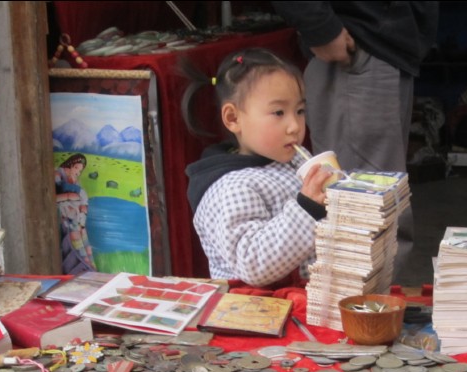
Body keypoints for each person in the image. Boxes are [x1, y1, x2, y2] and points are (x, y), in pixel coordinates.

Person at [271, 1, 440, 279]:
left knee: (378, 211)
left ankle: (370, 315)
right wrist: (320, 26)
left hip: (382, 45)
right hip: (359, 44)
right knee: (363, 218)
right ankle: (361, 318)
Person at [183, 48, 332, 287]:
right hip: (260, 312)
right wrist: (307, 208)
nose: (294, 126)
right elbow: (253, 265)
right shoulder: (232, 187)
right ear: (233, 118)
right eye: (278, 112)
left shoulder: (291, 161)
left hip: (305, 301)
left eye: (300, 111)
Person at [55, 153, 96, 274]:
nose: (78, 171)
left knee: (82, 231)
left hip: (75, 214)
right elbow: (51, 197)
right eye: (76, 167)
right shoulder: (58, 175)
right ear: (70, 164)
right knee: (74, 231)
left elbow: (82, 198)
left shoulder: (74, 180)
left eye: (80, 170)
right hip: (65, 214)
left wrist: (83, 210)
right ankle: (79, 266)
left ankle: (87, 264)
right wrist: (68, 196)